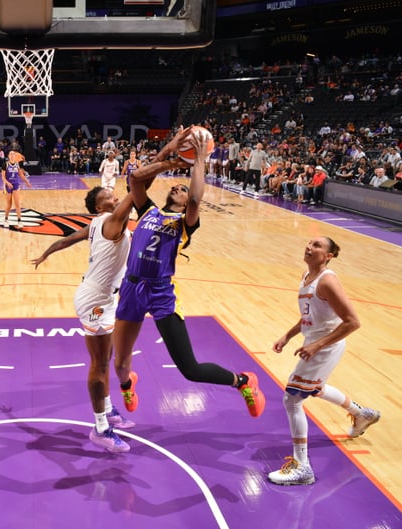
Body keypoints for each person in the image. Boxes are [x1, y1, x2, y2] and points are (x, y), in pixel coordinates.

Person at [112, 127, 265, 419]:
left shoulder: (185, 223)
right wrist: (170, 156)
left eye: (183, 189)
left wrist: (198, 160)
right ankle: (127, 383)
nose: (178, 189)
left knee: (190, 369)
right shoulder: (148, 212)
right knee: (119, 364)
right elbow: (135, 179)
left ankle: (243, 382)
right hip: (131, 288)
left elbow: (195, 200)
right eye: (177, 186)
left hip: (160, 292)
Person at [267, 236, 380, 486]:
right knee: (315, 389)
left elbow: (353, 322)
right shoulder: (307, 277)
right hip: (316, 344)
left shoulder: (327, 280)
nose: (309, 247)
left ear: (328, 255)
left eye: (317, 245)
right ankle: (362, 414)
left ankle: (302, 467)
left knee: (292, 398)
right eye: (309, 243)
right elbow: (308, 317)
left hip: (325, 347)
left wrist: (317, 345)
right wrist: (287, 335)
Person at [31, 186, 136, 453]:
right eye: (109, 198)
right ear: (100, 208)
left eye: (114, 196)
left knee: (107, 357)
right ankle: (100, 428)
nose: (115, 199)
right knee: (99, 364)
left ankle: (110, 410)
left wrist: (47, 252)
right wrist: (164, 159)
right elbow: (135, 195)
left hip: (105, 298)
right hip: (96, 301)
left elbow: (67, 239)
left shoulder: (95, 224)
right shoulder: (110, 220)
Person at [1, 150, 32, 228]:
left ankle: (19, 221)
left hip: (16, 184)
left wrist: (26, 181)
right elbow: (3, 177)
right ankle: (6, 220)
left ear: (15, 156)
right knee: (9, 204)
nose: (12, 155)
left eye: (13, 154)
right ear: (8, 156)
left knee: (17, 204)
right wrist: (7, 183)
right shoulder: (5, 164)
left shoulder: (17, 165)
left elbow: (21, 175)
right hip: (8, 185)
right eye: (10, 154)